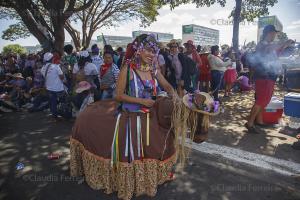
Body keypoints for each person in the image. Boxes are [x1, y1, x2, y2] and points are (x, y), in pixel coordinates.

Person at [70, 34, 179, 200]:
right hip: (131, 113)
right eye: (148, 50)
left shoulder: (154, 69)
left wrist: (175, 96)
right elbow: (118, 96)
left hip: (151, 112)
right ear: (139, 50)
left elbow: (166, 85)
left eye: (154, 51)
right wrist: (143, 101)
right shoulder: (127, 68)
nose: (152, 55)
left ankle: (149, 177)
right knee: (132, 148)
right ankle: (130, 182)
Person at [245, 25, 295, 133]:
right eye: (273, 33)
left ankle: (259, 121)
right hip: (263, 77)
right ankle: (250, 123)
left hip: (269, 76)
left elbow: (275, 54)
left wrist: (284, 46)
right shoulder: (262, 44)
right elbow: (269, 49)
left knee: (264, 101)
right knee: (261, 101)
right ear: (269, 33)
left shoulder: (269, 45)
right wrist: (284, 43)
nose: (274, 35)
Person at [41, 52, 65, 120]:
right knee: (62, 102)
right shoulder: (56, 66)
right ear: (52, 58)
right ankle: (63, 114)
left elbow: (46, 77)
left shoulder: (43, 68)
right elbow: (62, 77)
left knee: (53, 102)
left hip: (49, 88)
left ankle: (55, 116)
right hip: (59, 88)